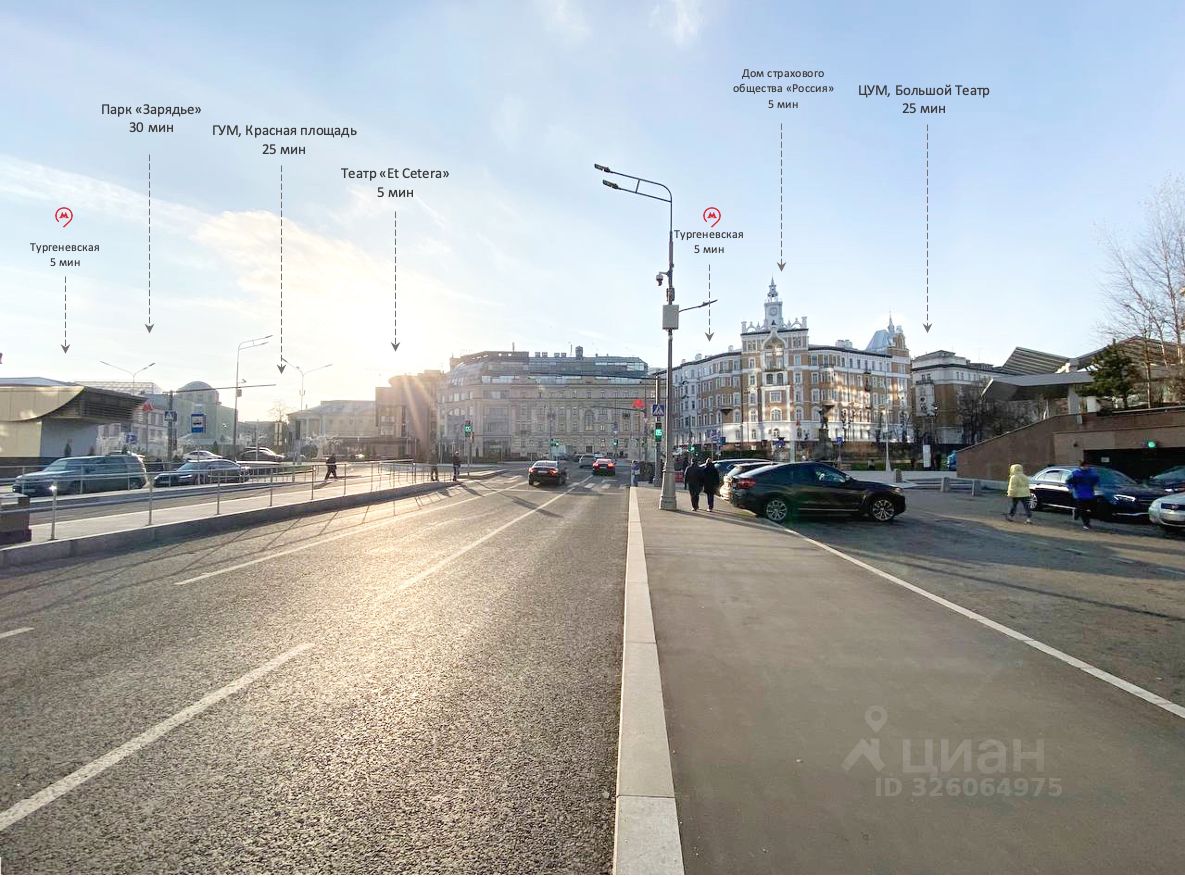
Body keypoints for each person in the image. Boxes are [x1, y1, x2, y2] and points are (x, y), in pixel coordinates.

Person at [1066, 460, 1100, 530]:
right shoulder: (1075, 473)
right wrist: (1070, 488)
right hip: (1079, 493)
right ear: (1081, 466)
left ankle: (1076, 511)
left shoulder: (1092, 473)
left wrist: (1096, 486)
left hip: (1090, 493)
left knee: (1092, 509)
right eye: (1084, 466)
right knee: (1083, 510)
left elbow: (1097, 480)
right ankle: (1086, 524)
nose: (1086, 467)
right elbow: (1068, 481)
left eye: (1087, 466)